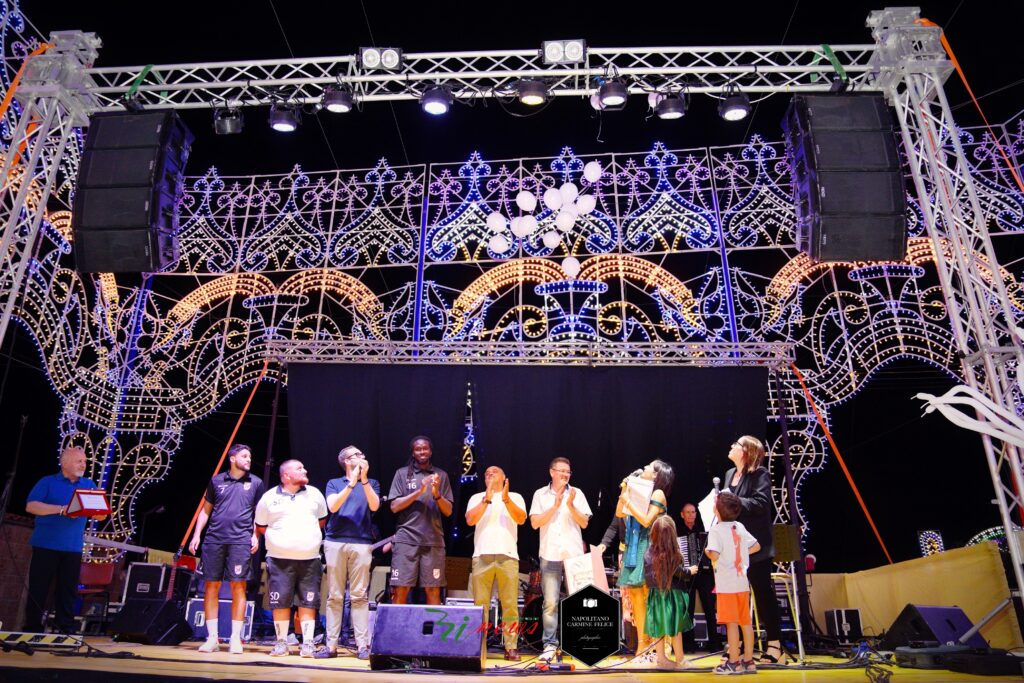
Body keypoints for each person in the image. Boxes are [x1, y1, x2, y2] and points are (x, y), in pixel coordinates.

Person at [189, 443, 265, 654]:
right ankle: (212, 637)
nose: (249, 459)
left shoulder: (256, 483)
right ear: (232, 459)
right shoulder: (217, 480)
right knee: (211, 586)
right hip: (214, 540)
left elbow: (260, 514)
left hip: (240, 541)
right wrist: (197, 534)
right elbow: (205, 511)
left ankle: (235, 638)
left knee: (238, 586)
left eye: (250, 456)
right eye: (244, 456)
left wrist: (255, 534)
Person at [24, 446, 107, 634]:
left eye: (85, 461)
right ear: (65, 463)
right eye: (80, 461)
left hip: (73, 548)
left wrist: (98, 511)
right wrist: (62, 509)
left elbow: (101, 516)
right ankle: (32, 628)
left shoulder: (89, 485)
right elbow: (31, 506)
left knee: (68, 591)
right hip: (46, 545)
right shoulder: (47, 482)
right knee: (39, 588)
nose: (84, 465)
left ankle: (66, 628)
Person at [722, 435, 789, 664]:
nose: (731, 446)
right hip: (733, 546)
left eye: (736, 444)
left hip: (755, 546)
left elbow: (761, 504)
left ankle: (775, 645)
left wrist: (732, 501)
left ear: (747, 451)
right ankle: (738, 645)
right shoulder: (729, 475)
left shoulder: (760, 474)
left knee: (762, 595)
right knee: (736, 596)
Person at [254, 459, 328, 657]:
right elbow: (260, 525)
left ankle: (308, 643)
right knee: (281, 601)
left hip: (310, 559)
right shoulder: (269, 497)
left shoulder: (315, 494)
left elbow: (321, 521)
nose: (305, 470)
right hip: (279, 560)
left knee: (309, 602)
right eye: (299, 468)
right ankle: (281, 643)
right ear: (286, 476)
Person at [317, 445, 380, 660]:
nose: (361, 457)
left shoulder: (371, 483)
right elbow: (333, 507)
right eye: (356, 455)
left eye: (362, 454)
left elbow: (374, 506)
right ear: (346, 461)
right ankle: (331, 646)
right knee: (334, 595)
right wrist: (352, 482)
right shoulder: (334, 483)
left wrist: (363, 480)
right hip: (335, 542)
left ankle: (363, 645)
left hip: (362, 543)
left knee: (359, 596)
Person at [529, 457, 591, 660]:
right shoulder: (540, 494)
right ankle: (549, 645)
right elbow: (535, 523)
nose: (565, 475)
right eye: (561, 471)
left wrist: (570, 505)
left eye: (568, 471)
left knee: (578, 601)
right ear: (551, 472)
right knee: (551, 602)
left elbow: (584, 523)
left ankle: (576, 642)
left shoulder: (577, 493)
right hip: (550, 554)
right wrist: (555, 506)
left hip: (574, 556)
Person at [465, 465, 527, 661]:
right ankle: (479, 647)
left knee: (509, 605)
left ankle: (511, 647)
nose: (490, 475)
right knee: (480, 605)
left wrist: (506, 498)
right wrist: (487, 497)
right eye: (487, 474)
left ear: (504, 477)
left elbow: (521, 518)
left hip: (507, 556)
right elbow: (470, 520)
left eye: (494, 472)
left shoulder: (515, 496)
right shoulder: (477, 498)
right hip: (482, 556)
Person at [615, 460, 672, 657]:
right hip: (634, 546)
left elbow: (647, 520)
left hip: (650, 547)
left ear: (656, 475)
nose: (644, 468)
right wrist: (625, 493)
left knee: (650, 598)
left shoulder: (658, 493)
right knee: (637, 598)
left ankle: (657, 647)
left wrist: (629, 501)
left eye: (649, 467)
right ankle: (641, 646)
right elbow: (619, 513)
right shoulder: (639, 491)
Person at [388, 436, 453, 605]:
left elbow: (448, 511)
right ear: (413, 452)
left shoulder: (441, 475)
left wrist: (436, 493)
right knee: (401, 588)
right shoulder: (402, 474)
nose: (422, 451)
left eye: (425, 448)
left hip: (433, 541)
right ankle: (396, 631)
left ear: (430, 451)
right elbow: (394, 506)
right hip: (406, 540)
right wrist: (420, 490)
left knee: (433, 589)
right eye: (418, 449)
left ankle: (435, 631)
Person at [706, 492, 760, 675]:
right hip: (742, 583)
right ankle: (749, 661)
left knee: (731, 624)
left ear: (718, 510)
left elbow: (714, 554)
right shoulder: (740, 526)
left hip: (727, 585)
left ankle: (734, 662)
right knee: (746, 622)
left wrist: (707, 551)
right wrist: (741, 555)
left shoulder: (716, 529)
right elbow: (756, 546)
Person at [644, 515, 692, 670]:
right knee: (675, 629)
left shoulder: (648, 553)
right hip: (671, 596)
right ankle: (680, 660)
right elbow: (678, 572)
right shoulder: (673, 555)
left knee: (658, 628)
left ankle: (661, 659)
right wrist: (689, 571)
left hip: (655, 596)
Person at [678, 502, 720, 651]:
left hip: (704, 574)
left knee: (709, 607)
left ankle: (714, 642)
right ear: (682, 515)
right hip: (688, 575)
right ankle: (689, 643)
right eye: (688, 512)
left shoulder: (703, 530)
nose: (691, 515)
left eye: (693, 512)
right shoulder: (678, 533)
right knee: (687, 610)